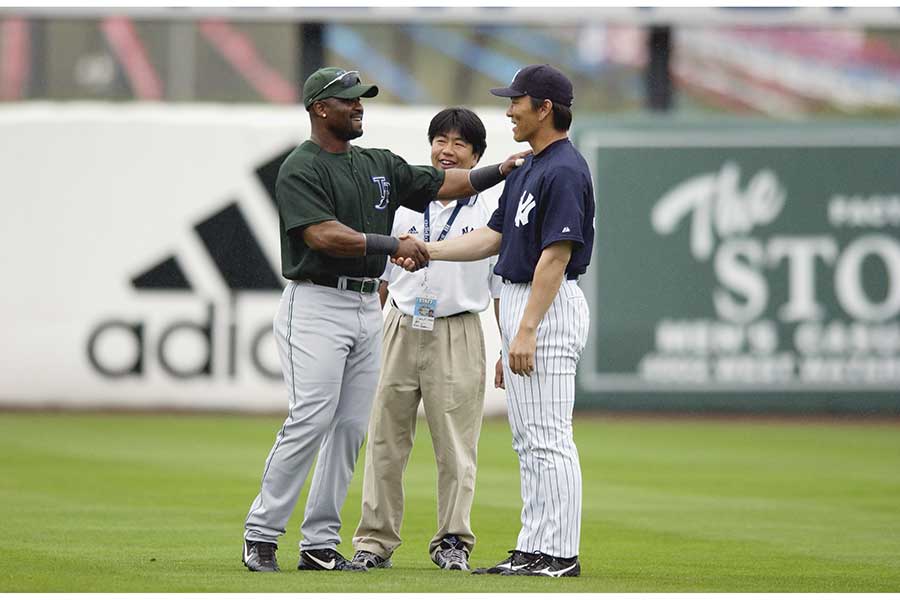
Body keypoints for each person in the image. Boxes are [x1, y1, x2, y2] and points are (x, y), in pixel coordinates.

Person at [241, 67, 525, 573]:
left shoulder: (376, 162)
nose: (359, 106)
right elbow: (323, 236)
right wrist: (394, 245)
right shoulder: (300, 168)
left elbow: (445, 184)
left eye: (362, 99)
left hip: (367, 302)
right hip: (317, 301)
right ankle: (261, 533)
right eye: (349, 100)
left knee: (350, 428)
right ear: (319, 108)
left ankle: (319, 542)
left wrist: (501, 169)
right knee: (311, 418)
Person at [394, 64, 594, 578]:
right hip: (525, 301)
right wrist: (429, 250)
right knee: (528, 439)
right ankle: (535, 545)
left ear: (544, 107)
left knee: (549, 436)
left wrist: (525, 329)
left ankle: (558, 553)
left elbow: (556, 255)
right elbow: (492, 236)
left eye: (517, 101)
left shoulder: (565, 168)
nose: (509, 109)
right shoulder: (530, 166)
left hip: (546, 304)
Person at [350, 108, 503, 572]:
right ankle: (374, 542)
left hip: (458, 328)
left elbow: (498, 285)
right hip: (399, 323)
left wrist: (504, 347)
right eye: (440, 140)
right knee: (385, 439)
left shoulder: (488, 209)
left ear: (476, 155)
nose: (447, 151)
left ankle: (453, 539)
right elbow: (381, 277)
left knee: (456, 444)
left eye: (459, 144)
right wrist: (368, 334)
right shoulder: (402, 203)